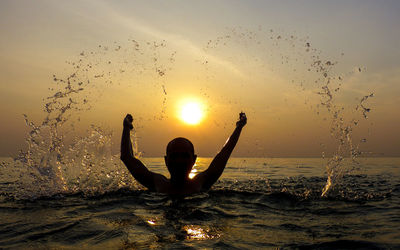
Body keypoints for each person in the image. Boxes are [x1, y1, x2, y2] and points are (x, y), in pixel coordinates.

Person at [120, 112, 247, 195]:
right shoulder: (158, 183)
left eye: (184, 156)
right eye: (174, 156)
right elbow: (127, 157)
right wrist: (126, 128)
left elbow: (225, 153)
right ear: (166, 160)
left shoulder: (201, 182)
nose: (179, 161)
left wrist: (239, 127)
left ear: (194, 159)